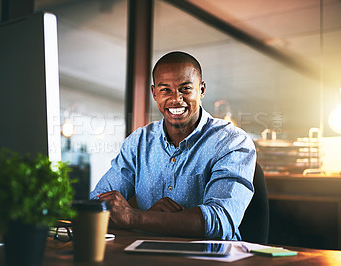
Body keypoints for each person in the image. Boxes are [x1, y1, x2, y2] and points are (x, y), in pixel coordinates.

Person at [90, 51, 256, 240]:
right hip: (147, 253)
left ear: (201, 90)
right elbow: (97, 202)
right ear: (154, 93)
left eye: (185, 89)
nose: (176, 99)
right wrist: (150, 217)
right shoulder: (138, 142)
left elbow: (219, 221)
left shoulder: (232, 141)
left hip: (210, 257)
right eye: (165, 90)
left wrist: (137, 218)